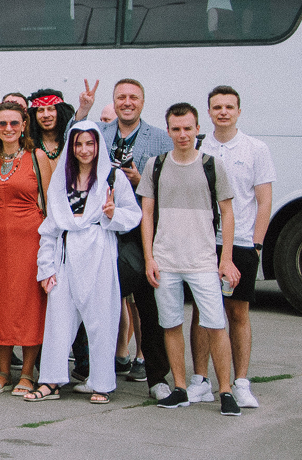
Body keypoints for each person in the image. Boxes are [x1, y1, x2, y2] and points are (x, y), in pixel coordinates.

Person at [27, 121, 140, 404]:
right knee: (58, 317)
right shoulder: (62, 178)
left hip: (99, 250)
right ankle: (51, 380)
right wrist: (46, 267)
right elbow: (50, 227)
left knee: (102, 317)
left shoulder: (112, 177)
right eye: (78, 144)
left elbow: (133, 215)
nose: (84, 150)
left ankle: (101, 383)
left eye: (90, 143)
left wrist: (113, 213)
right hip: (66, 253)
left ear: (98, 145)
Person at [141, 103, 242, 416]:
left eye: (188, 128)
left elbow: (227, 212)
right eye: (176, 129)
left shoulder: (212, 165)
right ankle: (180, 388)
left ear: (198, 129)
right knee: (171, 324)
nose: (182, 134)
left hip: (202, 261)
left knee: (216, 325)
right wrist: (149, 258)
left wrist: (226, 259)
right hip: (166, 260)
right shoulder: (156, 165)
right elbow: (146, 213)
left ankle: (225, 391)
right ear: (168, 130)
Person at [195, 85, 273, 409]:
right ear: (209, 112)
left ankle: (240, 382)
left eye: (229, 106)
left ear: (239, 111)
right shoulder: (198, 147)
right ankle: (200, 381)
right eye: (217, 107)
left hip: (241, 242)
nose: (223, 112)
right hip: (203, 242)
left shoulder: (256, 149)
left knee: (237, 312)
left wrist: (256, 246)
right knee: (202, 311)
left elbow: (264, 201)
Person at [99, 79, 176, 400]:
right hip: (103, 229)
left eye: (133, 97)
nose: (127, 102)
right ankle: (98, 372)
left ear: (142, 102)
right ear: (114, 101)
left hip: (142, 232)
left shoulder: (159, 139)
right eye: (121, 97)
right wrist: (84, 110)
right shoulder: (99, 133)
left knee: (149, 306)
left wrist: (141, 180)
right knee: (101, 302)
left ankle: (157, 377)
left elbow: (172, 188)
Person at [0, 102, 52, 397]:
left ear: (23, 126)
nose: (8, 128)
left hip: (30, 241)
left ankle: (28, 372)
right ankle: (3, 370)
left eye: (14, 123)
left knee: (30, 303)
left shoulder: (37, 157)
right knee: (1, 305)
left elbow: (50, 203)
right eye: (2, 124)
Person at [28, 89, 77, 162]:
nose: (46, 115)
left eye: (51, 109)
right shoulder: (28, 146)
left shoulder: (71, 142)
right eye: (41, 110)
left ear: (61, 112)